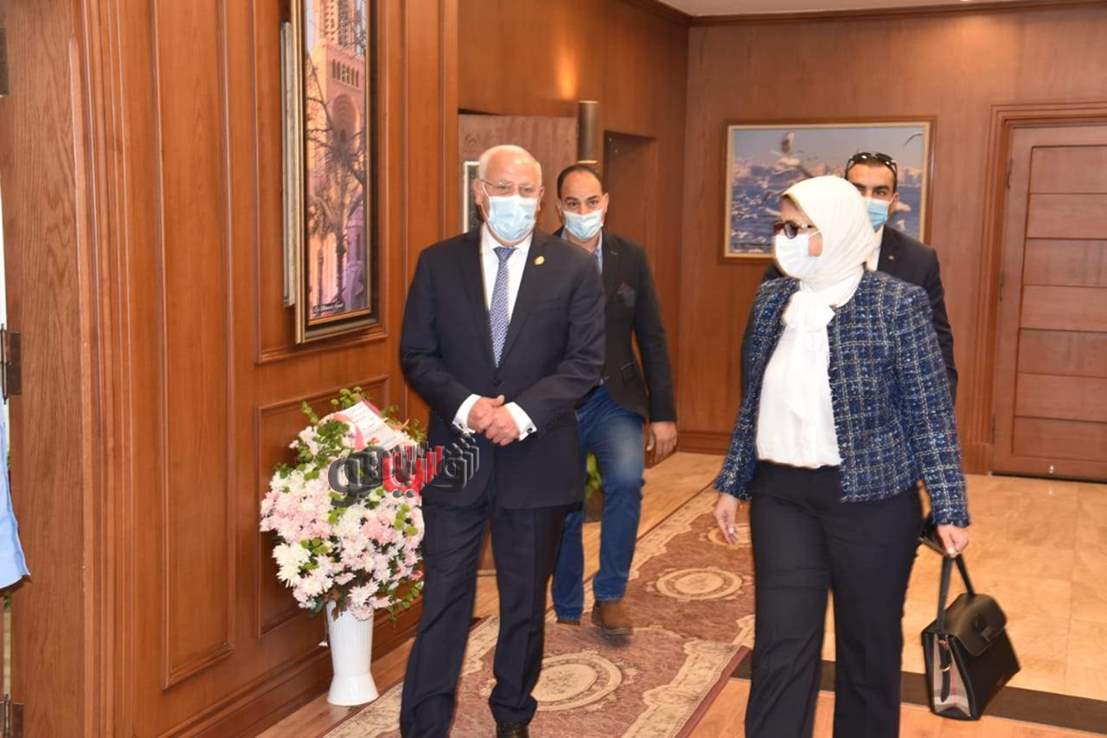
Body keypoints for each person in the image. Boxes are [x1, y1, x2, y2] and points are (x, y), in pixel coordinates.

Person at [713, 176, 970, 738]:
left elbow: (930, 411)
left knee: (868, 648)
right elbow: (754, 399)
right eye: (782, 227)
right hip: (782, 497)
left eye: (799, 229)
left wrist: (949, 505)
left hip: (872, 501)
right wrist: (733, 481)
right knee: (781, 645)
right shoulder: (772, 299)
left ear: (838, 230)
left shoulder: (896, 303)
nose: (785, 240)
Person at [399, 145, 605, 738]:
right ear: (480, 193)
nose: (517, 201)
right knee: (444, 597)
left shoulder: (572, 268)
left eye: (528, 190)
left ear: (541, 199)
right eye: (504, 188)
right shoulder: (438, 263)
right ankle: (424, 723)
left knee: (523, 604)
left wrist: (519, 413)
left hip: (536, 460)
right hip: (457, 459)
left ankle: (513, 715)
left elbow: (584, 363)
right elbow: (417, 354)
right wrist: (468, 406)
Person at [549, 164, 677, 637]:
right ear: (558, 206)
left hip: (615, 398)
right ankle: (567, 604)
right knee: (566, 502)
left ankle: (610, 595)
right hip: (559, 404)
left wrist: (663, 413)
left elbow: (652, 335)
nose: (583, 211)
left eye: (591, 202)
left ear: (605, 203)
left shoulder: (630, 256)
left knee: (625, 482)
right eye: (572, 203)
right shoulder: (539, 257)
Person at [757, 152, 957, 400]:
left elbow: (939, 346)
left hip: (888, 408)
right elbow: (760, 347)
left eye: (880, 192)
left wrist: (941, 406)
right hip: (805, 401)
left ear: (893, 202)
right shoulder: (800, 252)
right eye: (858, 190)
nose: (867, 200)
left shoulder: (919, 260)